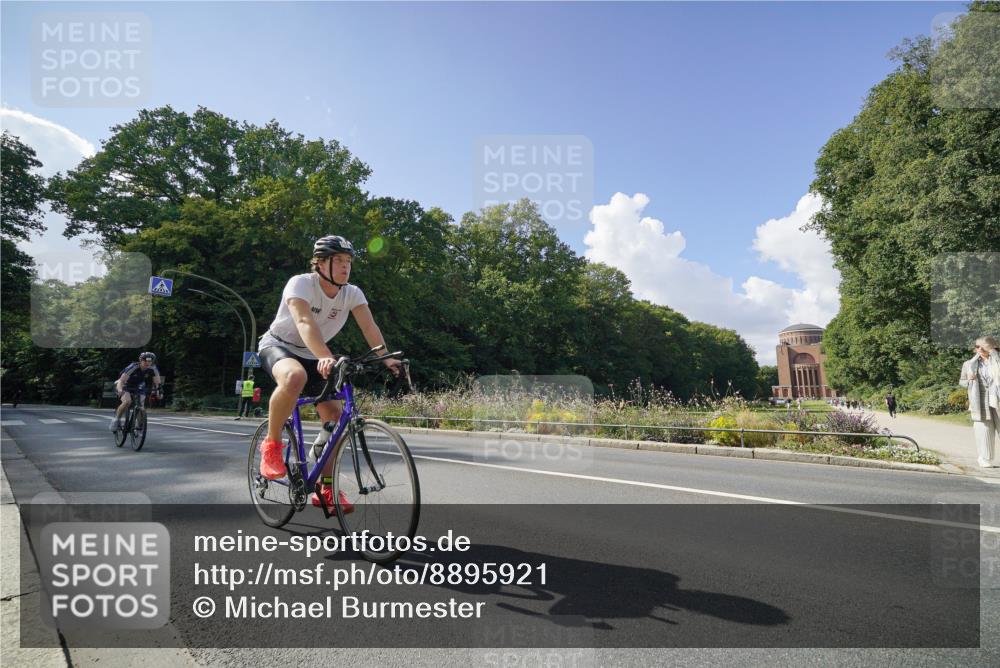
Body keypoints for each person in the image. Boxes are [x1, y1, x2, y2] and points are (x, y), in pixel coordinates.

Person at [256, 235, 401, 508]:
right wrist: (325, 356)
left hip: (316, 353)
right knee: (294, 377)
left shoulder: (352, 293)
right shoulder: (300, 283)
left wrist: (386, 359)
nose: (346, 267)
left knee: (336, 418)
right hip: (280, 345)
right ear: (321, 263)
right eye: (339, 261)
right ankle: (272, 445)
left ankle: (325, 488)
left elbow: (369, 328)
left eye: (348, 262)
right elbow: (303, 322)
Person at [959, 336, 1000, 468]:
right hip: (980, 401)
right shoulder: (969, 364)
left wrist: (994, 354)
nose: (980, 349)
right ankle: (984, 457)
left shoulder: (998, 361)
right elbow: (962, 382)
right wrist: (969, 380)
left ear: (992, 347)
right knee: (984, 431)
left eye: (983, 346)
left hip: (997, 399)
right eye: (977, 346)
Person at [110, 352, 162, 431]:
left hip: (139, 385)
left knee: (140, 404)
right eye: (145, 361)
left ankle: (139, 424)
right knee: (127, 401)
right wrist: (120, 390)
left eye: (150, 361)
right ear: (140, 360)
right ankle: (116, 420)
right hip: (125, 384)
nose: (147, 363)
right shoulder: (133, 367)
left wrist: (158, 392)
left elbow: (157, 383)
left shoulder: (153, 368)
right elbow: (121, 381)